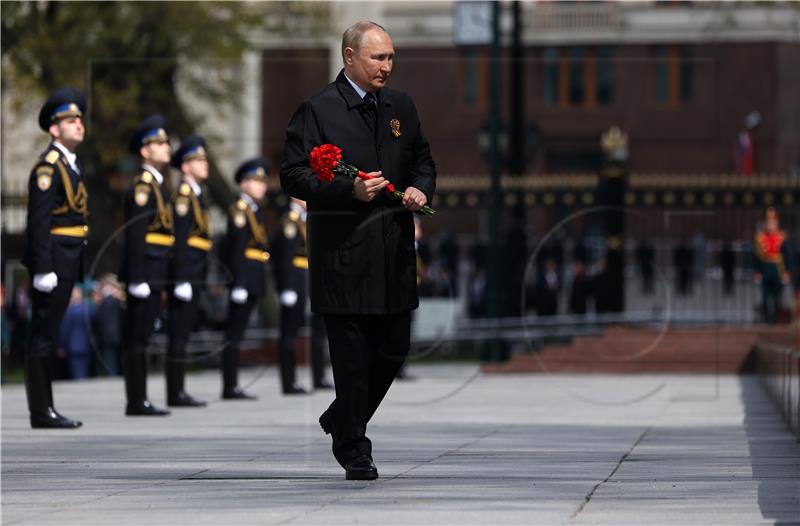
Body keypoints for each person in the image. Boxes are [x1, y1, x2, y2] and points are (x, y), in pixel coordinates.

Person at [281, 21, 436, 480]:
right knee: (350, 358)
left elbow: (423, 158)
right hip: (343, 255)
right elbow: (293, 176)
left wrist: (419, 188)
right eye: (377, 58)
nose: (386, 66)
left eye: (390, 57)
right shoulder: (317, 109)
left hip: (392, 253)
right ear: (349, 57)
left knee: (393, 348)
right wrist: (348, 189)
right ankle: (354, 448)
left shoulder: (401, 106)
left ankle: (340, 417)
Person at [23, 87, 88, 428]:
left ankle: (46, 407)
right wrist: (42, 267)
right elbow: (38, 221)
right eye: (70, 119)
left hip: (67, 258)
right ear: (54, 128)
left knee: (49, 334)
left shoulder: (70, 164)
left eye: (79, 119)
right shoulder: (48, 167)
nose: (79, 124)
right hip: (54, 260)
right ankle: (41, 410)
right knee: (43, 335)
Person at [119, 114, 173, 416]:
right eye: (159, 142)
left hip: (155, 270)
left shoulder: (158, 185)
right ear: (144, 150)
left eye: (166, 142)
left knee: (143, 337)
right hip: (145, 272)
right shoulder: (143, 186)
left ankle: (140, 398)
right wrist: (137, 276)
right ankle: (136, 400)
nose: (166, 147)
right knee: (137, 337)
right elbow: (136, 234)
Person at [165, 135, 212, 407]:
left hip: (196, 272)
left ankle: (179, 389)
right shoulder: (183, 196)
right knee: (178, 334)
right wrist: (181, 278)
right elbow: (181, 239)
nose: (205, 164)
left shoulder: (196, 194)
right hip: (186, 273)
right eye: (199, 160)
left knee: (183, 333)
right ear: (185, 166)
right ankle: (175, 391)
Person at [219, 158, 270, 400]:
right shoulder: (240, 210)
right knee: (234, 334)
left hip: (252, 276)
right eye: (256, 181)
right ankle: (229, 385)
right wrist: (238, 282)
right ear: (243, 184)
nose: (262, 186)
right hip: (244, 278)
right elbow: (237, 249)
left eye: (262, 181)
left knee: (238, 334)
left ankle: (233, 384)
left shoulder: (253, 210)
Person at [271, 197, 333, 394]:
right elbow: (285, 257)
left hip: (311, 276)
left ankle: (319, 377)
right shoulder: (290, 219)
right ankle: (289, 382)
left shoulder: (309, 218)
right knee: (290, 331)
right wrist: (287, 286)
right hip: (296, 278)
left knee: (319, 329)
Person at [754, 207, 793, 324]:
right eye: (768, 223)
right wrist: (757, 272)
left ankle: (776, 320)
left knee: (777, 298)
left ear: (776, 224)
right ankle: (767, 321)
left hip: (777, 270)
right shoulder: (761, 238)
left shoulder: (781, 238)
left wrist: (787, 272)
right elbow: (756, 258)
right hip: (765, 270)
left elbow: (787, 256)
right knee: (765, 298)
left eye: (772, 223)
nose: (770, 225)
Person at [92, 274, 124, 376]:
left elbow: (99, 318)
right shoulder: (118, 299)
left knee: (110, 364)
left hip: (108, 336)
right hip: (118, 334)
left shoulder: (107, 300)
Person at [58, 287, 92, 380]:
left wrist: (61, 346)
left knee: (76, 374)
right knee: (84, 371)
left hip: (72, 346)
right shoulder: (89, 308)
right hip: (86, 344)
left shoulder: (69, 311)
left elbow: (65, 330)